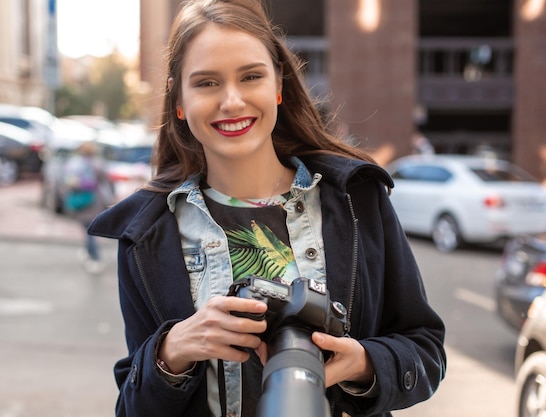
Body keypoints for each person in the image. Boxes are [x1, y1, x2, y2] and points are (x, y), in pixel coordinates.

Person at [88, 0, 446, 416]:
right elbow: (132, 408)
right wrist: (172, 351)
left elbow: (425, 349)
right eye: (206, 83)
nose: (232, 101)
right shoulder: (146, 234)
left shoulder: (357, 200)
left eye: (251, 76)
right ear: (179, 102)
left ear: (278, 84)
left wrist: (364, 366)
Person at [63, 140, 114, 274]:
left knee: (87, 229)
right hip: (95, 200)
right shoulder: (98, 164)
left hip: (81, 200)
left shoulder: (75, 164)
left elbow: (68, 182)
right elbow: (106, 183)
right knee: (89, 229)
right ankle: (90, 254)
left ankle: (94, 257)